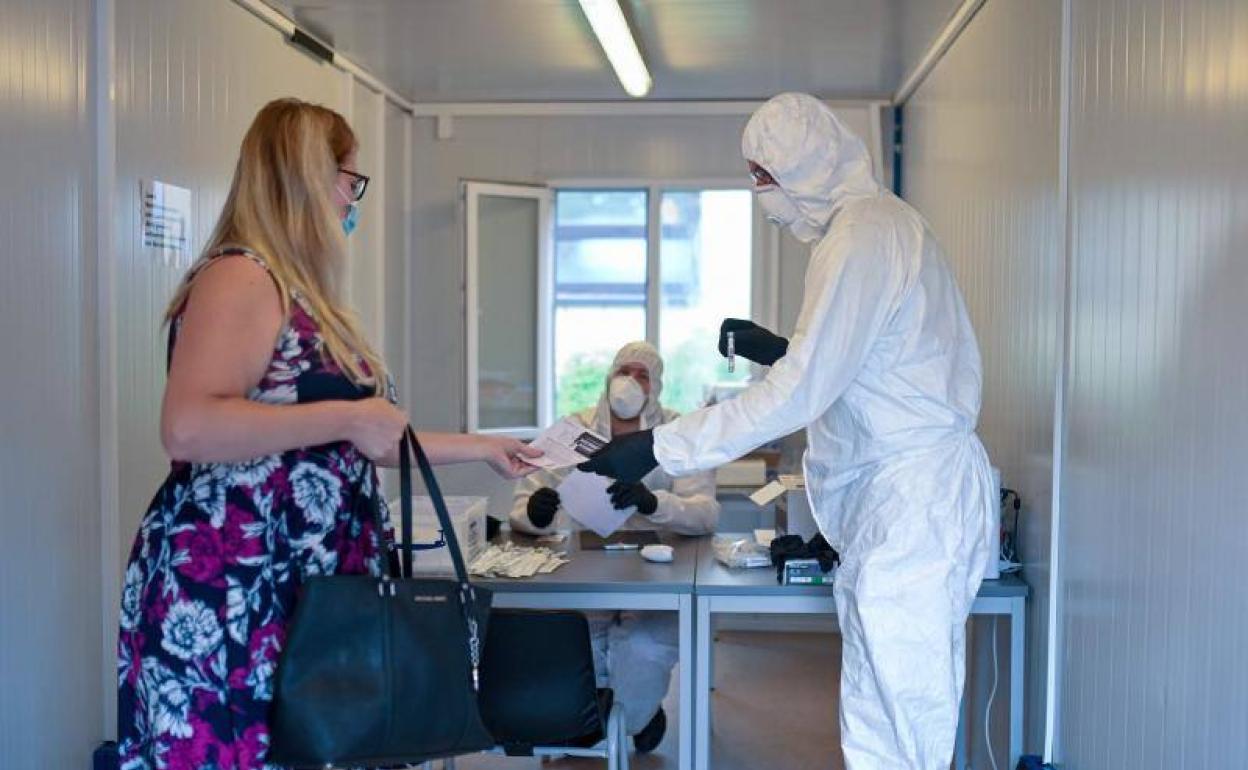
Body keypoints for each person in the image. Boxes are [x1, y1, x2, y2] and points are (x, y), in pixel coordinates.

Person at [116, 98, 541, 770]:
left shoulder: (301, 291)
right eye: (350, 179)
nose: (352, 198)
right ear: (308, 178)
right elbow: (188, 426)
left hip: (307, 585)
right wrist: (346, 416)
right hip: (237, 584)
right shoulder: (240, 277)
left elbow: (366, 439)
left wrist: (484, 449)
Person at [579, 93, 996, 770]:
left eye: (764, 176)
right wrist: (782, 349)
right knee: (881, 706)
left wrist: (658, 447)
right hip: (902, 498)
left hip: (914, 499)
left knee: (900, 713)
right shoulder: (873, 228)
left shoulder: (862, 236)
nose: (760, 194)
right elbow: (870, 363)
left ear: (806, 165)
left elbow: (800, 392)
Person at [510, 341, 718, 752]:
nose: (631, 382)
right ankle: (588, 717)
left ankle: (635, 717)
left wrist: (653, 503)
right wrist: (535, 514)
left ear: (656, 386)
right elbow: (523, 502)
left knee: (644, 646)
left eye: (642, 375)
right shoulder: (573, 430)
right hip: (586, 566)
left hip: (661, 572)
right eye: (624, 371)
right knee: (582, 642)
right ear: (609, 378)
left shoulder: (676, 433)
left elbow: (706, 513)